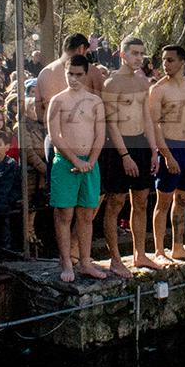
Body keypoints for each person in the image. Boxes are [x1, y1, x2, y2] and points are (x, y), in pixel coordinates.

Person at [100, 37, 159, 276]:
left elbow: (147, 117)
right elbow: (111, 123)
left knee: (141, 200)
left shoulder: (143, 81)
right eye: (134, 53)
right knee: (116, 202)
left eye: (142, 53)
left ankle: (140, 254)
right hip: (118, 146)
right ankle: (115, 259)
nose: (139, 58)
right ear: (122, 54)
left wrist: (153, 150)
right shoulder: (112, 83)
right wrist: (124, 155)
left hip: (141, 143)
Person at [45, 53, 106, 282]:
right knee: (64, 213)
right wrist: (75, 160)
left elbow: (100, 135)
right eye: (70, 74)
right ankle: (66, 262)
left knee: (86, 214)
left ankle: (85, 261)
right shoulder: (58, 101)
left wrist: (90, 161)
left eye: (78, 74)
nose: (74, 78)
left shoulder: (95, 102)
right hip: (65, 163)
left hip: (89, 163)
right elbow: (55, 135)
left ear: (86, 74)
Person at [148, 45, 185, 262]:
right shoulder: (158, 89)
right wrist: (167, 155)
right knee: (163, 202)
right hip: (169, 146)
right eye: (163, 60)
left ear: (182, 62)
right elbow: (154, 125)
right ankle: (159, 250)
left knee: (182, 200)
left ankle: (178, 247)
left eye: (170, 60)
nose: (165, 64)